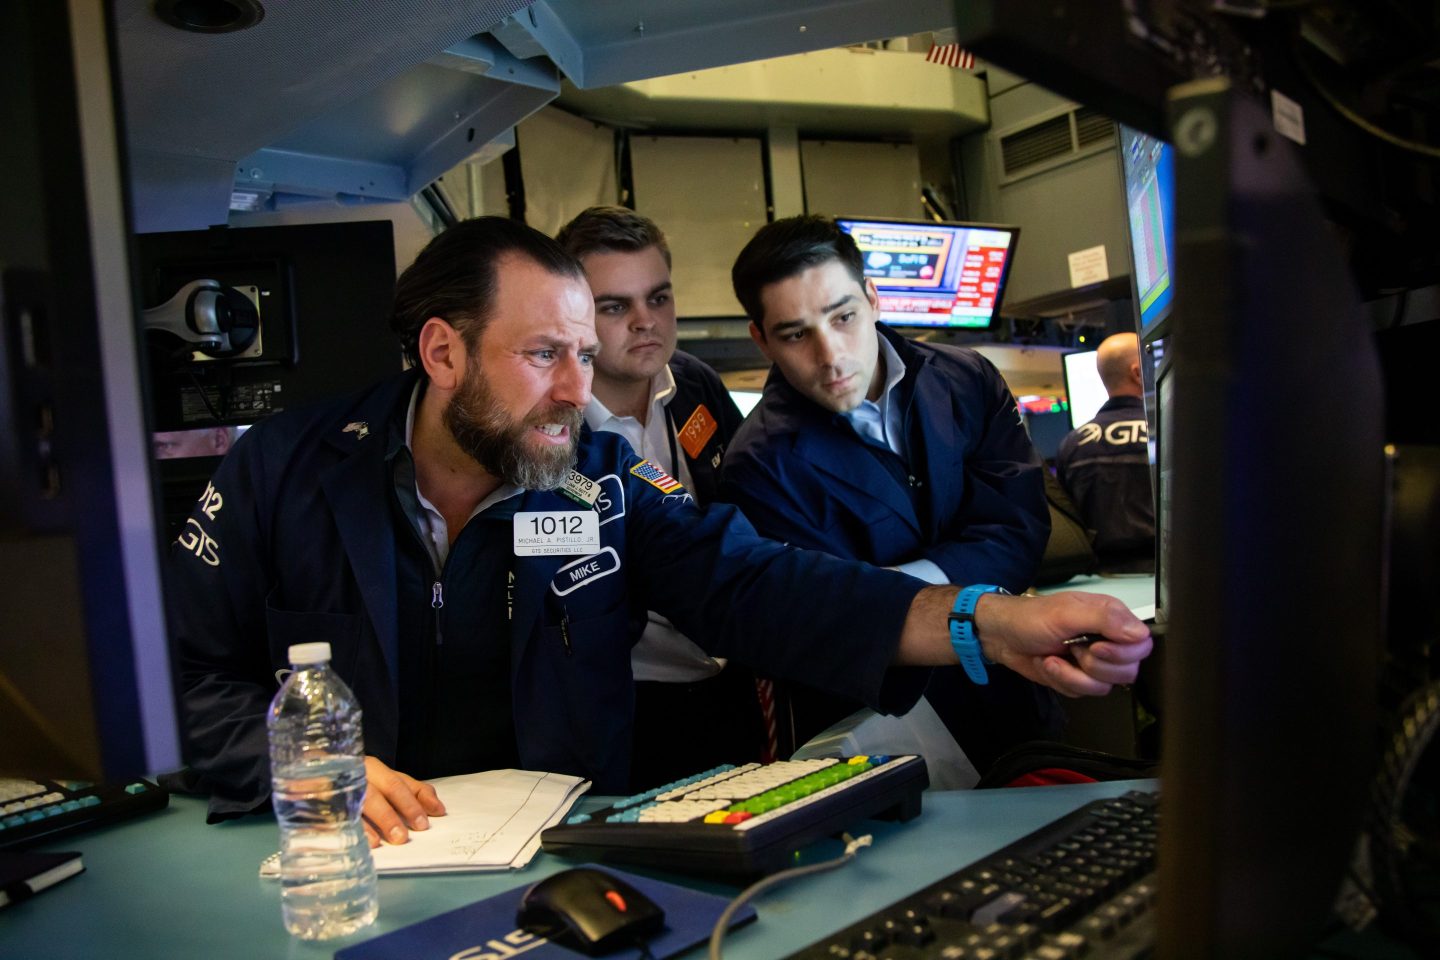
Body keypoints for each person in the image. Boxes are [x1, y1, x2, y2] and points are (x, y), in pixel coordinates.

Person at [169, 216, 1151, 849]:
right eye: (546, 355)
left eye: (584, 356)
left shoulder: (600, 481)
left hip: (557, 862)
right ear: (442, 351)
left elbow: (762, 587)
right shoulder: (285, 470)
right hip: (339, 859)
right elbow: (182, 676)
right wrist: (300, 764)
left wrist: (984, 621)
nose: (579, 391)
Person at [718, 215, 1060, 772]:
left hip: (1016, 690)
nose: (830, 356)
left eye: (843, 317)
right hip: (889, 730)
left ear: (873, 298)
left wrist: (896, 589)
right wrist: (940, 581)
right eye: (796, 334)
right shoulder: (758, 466)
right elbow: (838, 619)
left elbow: (1019, 529)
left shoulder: (968, 378)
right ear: (761, 340)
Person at [556, 206, 767, 788]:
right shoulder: (551, 425)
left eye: (659, 298)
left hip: (731, 682)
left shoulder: (694, 383)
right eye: (616, 307)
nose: (647, 322)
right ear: (573, 313)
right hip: (626, 704)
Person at [1055, 332, 1155, 573]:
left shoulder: (1072, 443)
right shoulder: (1167, 428)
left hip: (1102, 579)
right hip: (1166, 575)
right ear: (1138, 373)